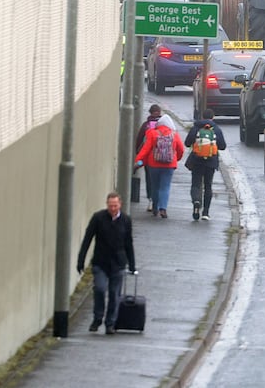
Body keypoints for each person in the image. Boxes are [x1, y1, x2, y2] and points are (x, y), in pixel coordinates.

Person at [76, 192, 136, 335]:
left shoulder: (126, 221)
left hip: (118, 263)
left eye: (115, 206)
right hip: (101, 262)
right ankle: (97, 318)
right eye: (110, 206)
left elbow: (128, 243)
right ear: (107, 205)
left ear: (120, 205)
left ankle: (110, 323)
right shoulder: (98, 218)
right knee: (100, 289)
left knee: (115, 294)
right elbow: (87, 239)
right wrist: (81, 260)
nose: (113, 208)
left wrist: (132, 264)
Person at [135, 114, 185, 218]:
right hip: (169, 165)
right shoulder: (174, 134)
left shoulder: (152, 133)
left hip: (153, 164)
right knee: (165, 187)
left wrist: (138, 161)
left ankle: (155, 206)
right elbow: (181, 149)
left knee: (155, 186)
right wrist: (176, 159)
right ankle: (163, 208)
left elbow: (146, 150)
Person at [185, 109, 227, 222]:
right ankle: (206, 212)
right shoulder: (216, 129)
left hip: (197, 160)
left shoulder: (196, 128)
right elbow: (223, 146)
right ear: (213, 117)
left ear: (202, 117)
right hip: (211, 161)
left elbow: (187, 143)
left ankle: (196, 202)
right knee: (208, 185)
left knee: (196, 184)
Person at [135, 104, 163, 212]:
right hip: (163, 157)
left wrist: (138, 155)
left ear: (150, 113)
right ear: (159, 112)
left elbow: (139, 140)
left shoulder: (146, 125)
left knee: (150, 178)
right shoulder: (165, 125)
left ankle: (151, 200)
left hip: (149, 157)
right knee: (161, 180)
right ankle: (160, 202)